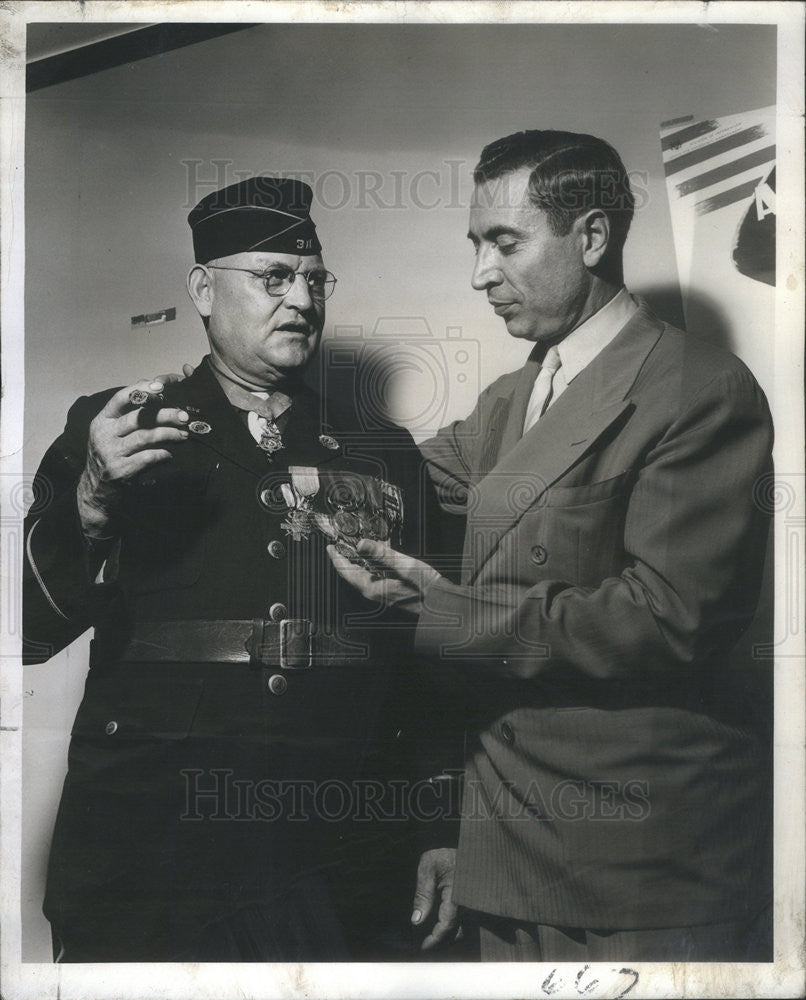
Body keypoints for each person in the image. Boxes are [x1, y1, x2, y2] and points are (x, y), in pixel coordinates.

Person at [328, 130, 774, 961]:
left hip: (643, 862)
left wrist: (447, 614)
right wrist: (275, 441)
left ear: (592, 237)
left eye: (504, 242)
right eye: (474, 245)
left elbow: (670, 618)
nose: (479, 274)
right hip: (507, 847)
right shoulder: (512, 397)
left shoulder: (700, 387)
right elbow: (406, 482)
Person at [23, 176, 454, 962]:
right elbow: (24, 630)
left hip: (338, 841)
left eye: (314, 280)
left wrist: (439, 823)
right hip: (152, 843)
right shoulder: (116, 426)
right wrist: (88, 504)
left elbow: (429, 660)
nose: (302, 300)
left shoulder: (383, 451)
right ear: (202, 289)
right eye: (273, 278)